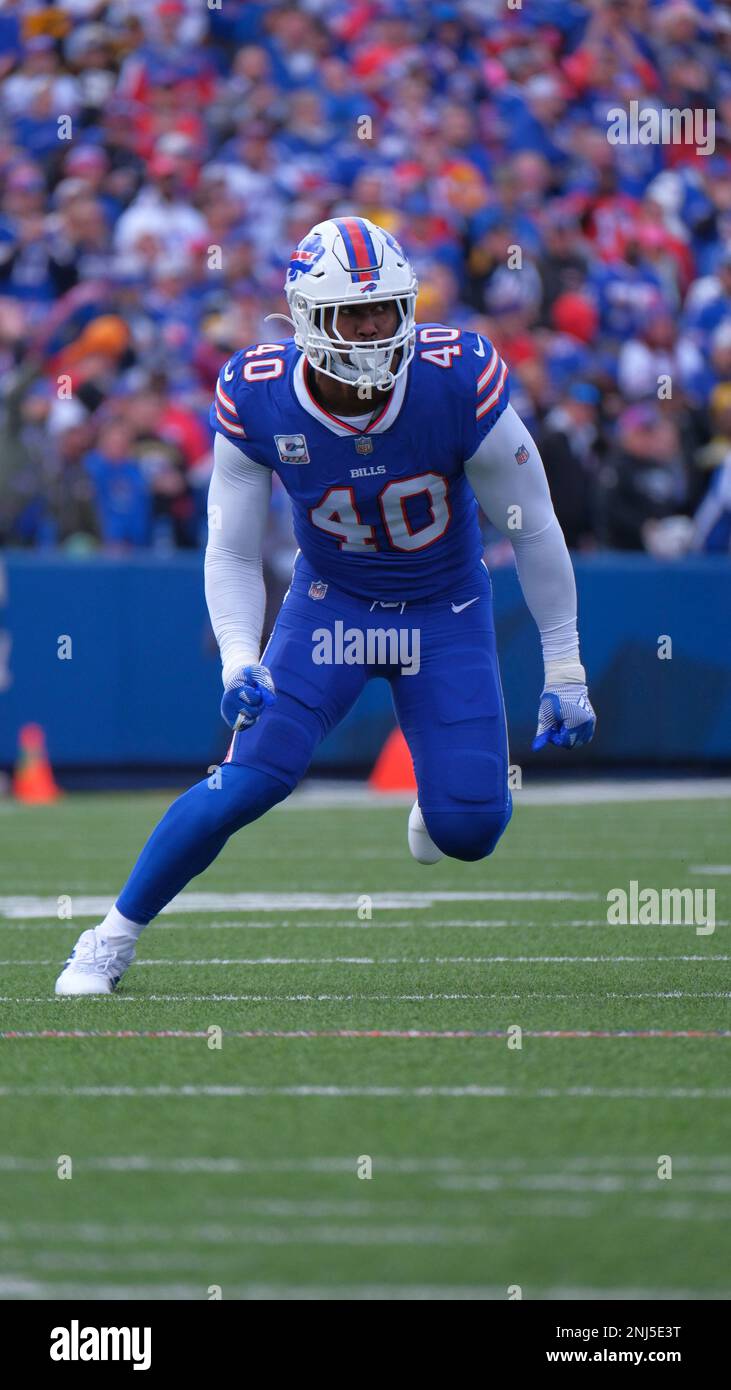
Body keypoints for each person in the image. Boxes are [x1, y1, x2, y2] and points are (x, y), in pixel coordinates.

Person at [55, 217, 596, 995]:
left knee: (471, 830)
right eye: (355, 312)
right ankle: (109, 938)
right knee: (245, 781)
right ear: (309, 315)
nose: (375, 328)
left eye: (386, 308)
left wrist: (565, 664)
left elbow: (533, 525)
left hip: (443, 611)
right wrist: (241, 656)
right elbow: (234, 549)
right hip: (331, 607)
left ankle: (439, 796)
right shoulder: (259, 392)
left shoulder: (453, 377)